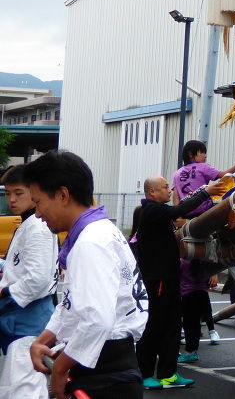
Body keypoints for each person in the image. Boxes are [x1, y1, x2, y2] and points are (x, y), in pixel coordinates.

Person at [24, 151, 147, 399]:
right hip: (110, 369)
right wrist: (44, 340)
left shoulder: (91, 242)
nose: (37, 214)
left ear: (62, 195)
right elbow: (74, 304)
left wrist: (59, 369)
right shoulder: (99, 231)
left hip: (105, 376)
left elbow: (97, 320)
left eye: (38, 203)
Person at [135, 174, 222, 389]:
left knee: (173, 325)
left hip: (170, 277)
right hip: (159, 279)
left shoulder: (159, 212)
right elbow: (179, 210)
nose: (170, 190)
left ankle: (168, 373)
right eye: (165, 187)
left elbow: (178, 211)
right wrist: (205, 193)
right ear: (152, 192)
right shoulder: (152, 210)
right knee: (155, 325)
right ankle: (145, 373)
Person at [0, 164, 59, 399]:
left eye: (19, 192)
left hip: (29, 324)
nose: (12, 199)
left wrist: (3, 292)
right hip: (20, 323)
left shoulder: (37, 227)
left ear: (34, 191)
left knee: (24, 392)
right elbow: (20, 268)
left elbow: (37, 279)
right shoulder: (28, 224)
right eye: (7, 193)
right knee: (15, 389)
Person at [171, 139, 235, 214]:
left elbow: (176, 197)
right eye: (202, 152)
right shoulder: (203, 167)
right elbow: (224, 174)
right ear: (191, 154)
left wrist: (177, 214)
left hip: (185, 212)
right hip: (203, 211)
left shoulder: (177, 173)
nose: (205, 156)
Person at [178, 259, 220, 363]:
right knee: (196, 324)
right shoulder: (204, 262)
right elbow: (212, 283)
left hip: (188, 295)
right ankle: (193, 351)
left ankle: (189, 352)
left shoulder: (183, 262)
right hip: (203, 294)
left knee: (189, 325)